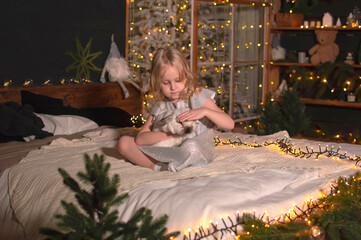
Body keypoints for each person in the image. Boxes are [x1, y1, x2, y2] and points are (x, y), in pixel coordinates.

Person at [117, 46, 234, 172]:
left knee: (190, 145)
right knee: (123, 142)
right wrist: (165, 135)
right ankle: (157, 167)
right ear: (157, 82)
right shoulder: (160, 106)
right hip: (167, 152)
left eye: (178, 80)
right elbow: (139, 139)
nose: (173, 87)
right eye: (166, 83)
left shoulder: (197, 97)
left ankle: (178, 164)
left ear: (186, 76)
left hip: (193, 151)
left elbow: (230, 124)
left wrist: (205, 111)